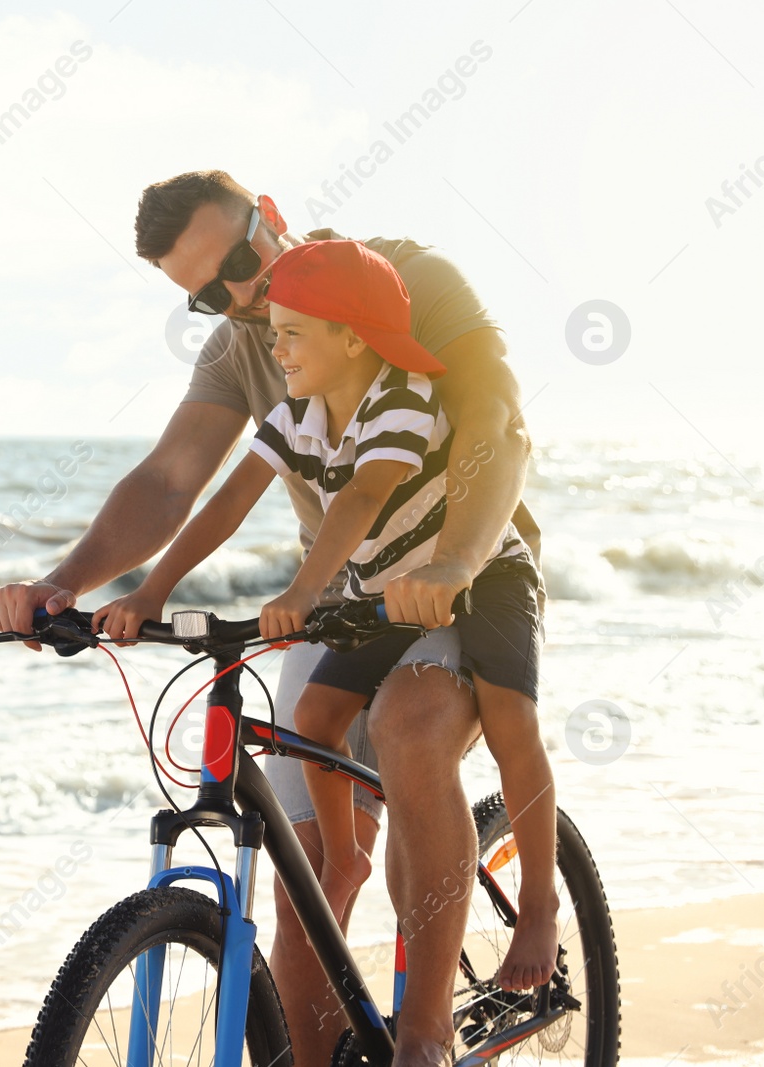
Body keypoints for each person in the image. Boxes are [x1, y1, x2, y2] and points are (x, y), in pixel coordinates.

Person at [0, 170, 540, 1067]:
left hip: (453, 575)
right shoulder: (254, 349)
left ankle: (428, 1039)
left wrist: (453, 561)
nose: (238, 297)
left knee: (410, 726)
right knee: (308, 877)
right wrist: (69, 584)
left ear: (272, 217)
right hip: (339, 593)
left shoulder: (400, 280)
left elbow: (498, 421)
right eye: (208, 294)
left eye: (243, 262)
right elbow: (176, 481)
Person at [97, 239, 556, 990]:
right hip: (386, 592)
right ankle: (345, 856)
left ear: (353, 337)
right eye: (271, 330)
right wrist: (153, 590)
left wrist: (305, 593)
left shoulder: (403, 399)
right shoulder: (297, 412)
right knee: (314, 715)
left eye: (290, 332)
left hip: (479, 577)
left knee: (509, 718)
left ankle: (537, 903)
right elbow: (231, 497)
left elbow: (362, 500)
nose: (271, 347)